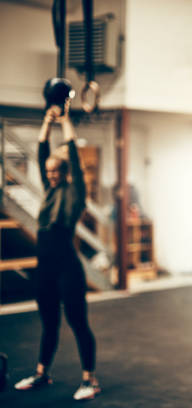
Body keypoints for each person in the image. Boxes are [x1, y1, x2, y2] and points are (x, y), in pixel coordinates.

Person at [14, 104, 100, 401]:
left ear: (64, 173)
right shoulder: (49, 192)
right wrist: (46, 122)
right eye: (47, 171)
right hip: (46, 267)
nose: (49, 174)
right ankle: (41, 373)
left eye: (55, 170)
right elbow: (40, 153)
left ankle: (90, 379)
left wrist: (64, 122)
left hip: (67, 267)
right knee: (49, 322)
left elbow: (74, 156)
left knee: (77, 322)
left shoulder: (74, 193)